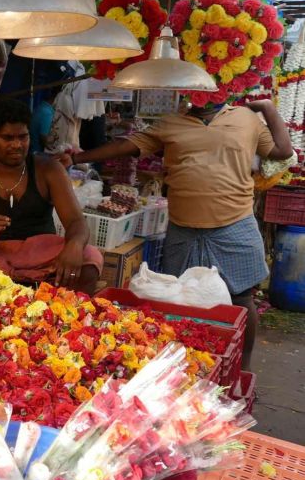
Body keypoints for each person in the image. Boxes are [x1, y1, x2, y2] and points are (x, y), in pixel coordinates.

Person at [62, 99, 293, 367]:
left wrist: (267, 108)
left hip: (235, 224)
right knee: (178, 298)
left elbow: (282, 150)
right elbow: (126, 146)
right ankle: (188, 364)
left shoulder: (245, 118)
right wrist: (77, 158)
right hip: (183, 229)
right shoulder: (171, 122)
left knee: (240, 297)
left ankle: (243, 366)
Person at [0, 99, 103, 293]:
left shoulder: (49, 170)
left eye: (23, 137)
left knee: (90, 256)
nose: (17, 145)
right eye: (8, 138)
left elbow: (76, 221)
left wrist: (74, 245)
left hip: (43, 254)